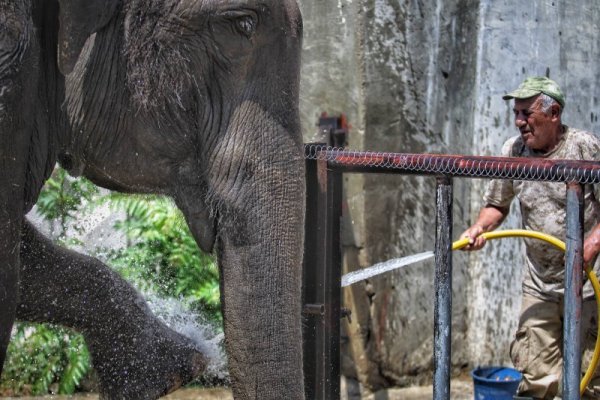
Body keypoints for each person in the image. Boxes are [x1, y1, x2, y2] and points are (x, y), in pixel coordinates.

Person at [461, 76, 600, 399]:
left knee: (590, 380)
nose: (520, 121)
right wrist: (479, 228)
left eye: (527, 113)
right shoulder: (514, 150)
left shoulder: (584, 147)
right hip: (539, 285)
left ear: (554, 114)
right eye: (516, 113)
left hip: (590, 283)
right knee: (538, 377)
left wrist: (590, 247)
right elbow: (497, 204)